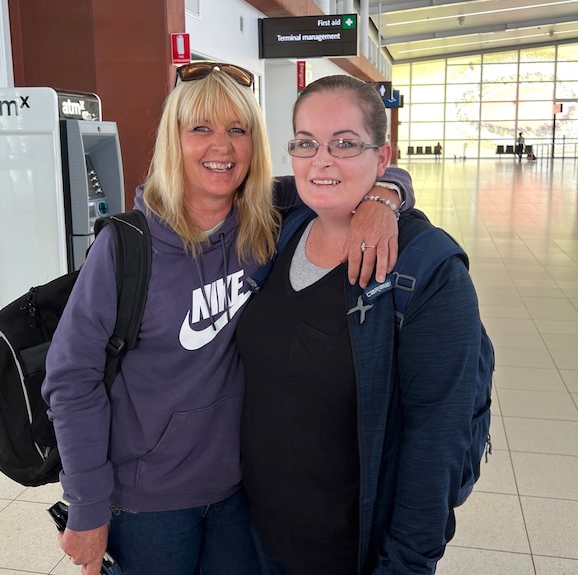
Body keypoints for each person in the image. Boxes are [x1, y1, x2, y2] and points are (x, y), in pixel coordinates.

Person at [42, 63, 414, 575]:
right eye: (201, 128)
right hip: (149, 499)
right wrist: (85, 506)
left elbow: (339, 174)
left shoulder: (268, 216)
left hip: (242, 490)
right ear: (174, 140)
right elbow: (71, 378)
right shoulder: (126, 247)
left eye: (237, 129)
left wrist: (385, 194)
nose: (222, 147)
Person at [237, 75, 483, 574]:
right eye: (306, 143)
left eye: (345, 143)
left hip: (348, 552)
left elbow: (436, 443)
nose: (321, 159)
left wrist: (406, 565)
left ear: (382, 155)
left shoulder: (428, 271)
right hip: (253, 534)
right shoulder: (283, 224)